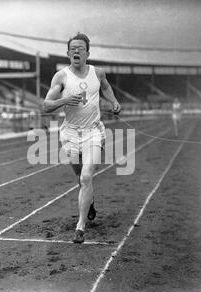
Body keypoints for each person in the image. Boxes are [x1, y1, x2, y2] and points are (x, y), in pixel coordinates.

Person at [43, 33, 121, 243]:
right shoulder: (61, 77)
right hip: (70, 134)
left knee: (86, 177)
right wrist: (65, 99)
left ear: (87, 52)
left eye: (80, 48)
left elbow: (105, 87)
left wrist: (113, 102)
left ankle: (80, 226)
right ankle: (90, 202)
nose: (76, 51)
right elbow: (46, 106)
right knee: (80, 176)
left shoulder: (98, 73)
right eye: (72, 48)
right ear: (68, 53)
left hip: (93, 132)